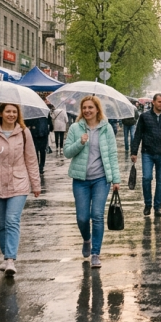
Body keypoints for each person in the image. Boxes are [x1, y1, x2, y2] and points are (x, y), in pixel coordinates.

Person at [0, 103, 41, 277]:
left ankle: (10, 259)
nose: (11, 114)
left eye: (14, 112)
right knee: (0, 224)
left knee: (12, 220)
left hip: (18, 183)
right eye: (8, 111)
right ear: (1, 113)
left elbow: (31, 159)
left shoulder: (24, 133)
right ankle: (6, 257)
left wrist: (36, 184)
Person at [65, 95, 120, 269]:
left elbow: (112, 154)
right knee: (82, 218)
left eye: (91, 107)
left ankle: (96, 253)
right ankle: (87, 239)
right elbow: (67, 152)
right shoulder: (75, 128)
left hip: (100, 179)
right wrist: (80, 143)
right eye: (84, 108)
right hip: (80, 180)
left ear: (97, 109)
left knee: (97, 215)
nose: (87, 111)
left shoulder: (106, 128)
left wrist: (116, 179)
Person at [130, 93, 161, 217]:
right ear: (153, 102)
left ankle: (157, 207)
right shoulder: (144, 117)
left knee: (160, 182)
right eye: (159, 102)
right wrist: (134, 152)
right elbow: (138, 134)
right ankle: (147, 204)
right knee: (147, 178)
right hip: (148, 153)